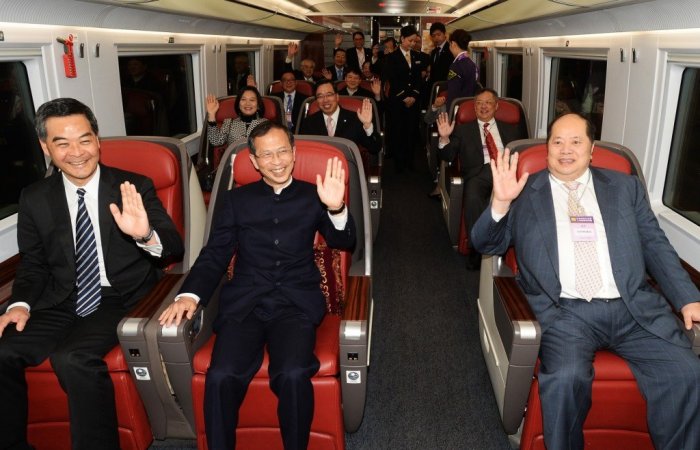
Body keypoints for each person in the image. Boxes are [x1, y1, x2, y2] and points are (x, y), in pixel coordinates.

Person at [471, 112, 700, 450]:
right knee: (566, 379)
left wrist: (687, 297)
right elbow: (485, 244)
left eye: (576, 141)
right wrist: (500, 202)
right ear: (547, 149)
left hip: (633, 309)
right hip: (565, 313)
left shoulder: (625, 188)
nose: (566, 149)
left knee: (687, 372)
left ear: (592, 150)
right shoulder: (524, 191)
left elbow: (655, 244)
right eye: (557, 142)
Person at [158, 120, 356, 450]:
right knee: (221, 376)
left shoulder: (315, 195)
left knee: (292, 373)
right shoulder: (236, 200)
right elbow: (216, 253)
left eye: (283, 152)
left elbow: (344, 241)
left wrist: (336, 208)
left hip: (295, 304)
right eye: (267, 155)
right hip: (245, 304)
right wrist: (189, 295)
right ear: (253, 160)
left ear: (294, 153)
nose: (277, 161)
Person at [0, 97, 184, 450]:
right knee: (3, 351)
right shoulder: (34, 197)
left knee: (72, 359)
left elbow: (173, 245)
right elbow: (34, 263)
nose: (77, 152)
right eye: (62, 143)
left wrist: (144, 234)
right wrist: (20, 304)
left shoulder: (133, 186)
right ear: (45, 147)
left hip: (120, 296)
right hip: (60, 297)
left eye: (84, 140)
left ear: (97, 140)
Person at [436, 88, 526, 269]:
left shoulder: (512, 129)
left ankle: (517, 247)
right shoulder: (463, 130)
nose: (483, 106)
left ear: (496, 106)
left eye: (488, 102)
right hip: (478, 174)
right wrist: (444, 138)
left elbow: (524, 154)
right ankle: (477, 247)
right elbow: (448, 156)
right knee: (473, 194)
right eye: (479, 103)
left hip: (506, 171)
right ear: (474, 107)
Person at [382, 25, 425, 172]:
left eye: (414, 41)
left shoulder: (417, 57)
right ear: (402, 39)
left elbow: (419, 79)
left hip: (413, 102)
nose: (412, 44)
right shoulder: (391, 57)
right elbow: (392, 80)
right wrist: (405, 97)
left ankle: (410, 161)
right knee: (398, 131)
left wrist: (414, 95)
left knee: (411, 131)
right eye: (410, 41)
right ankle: (399, 163)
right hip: (397, 101)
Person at [300, 79, 381, 156]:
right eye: (320, 96)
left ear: (337, 97)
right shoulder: (309, 122)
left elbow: (375, 148)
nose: (325, 100)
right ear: (316, 100)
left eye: (329, 95)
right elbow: (303, 151)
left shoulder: (355, 119)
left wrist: (367, 126)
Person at [440, 29, 478, 113]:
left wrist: (449, 115)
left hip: (458, 111)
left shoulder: (456, 66)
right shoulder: (473, 65)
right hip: (469, 109)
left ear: (453, 44)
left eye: (449, 44)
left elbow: (452, 95)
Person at [427, 22, 452, 89]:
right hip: (434, 87)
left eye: (438, 34)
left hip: (446, 87)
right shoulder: (433, 52)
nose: (436, 38)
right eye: (433, 36)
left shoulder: (451, 49)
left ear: (445, 34)